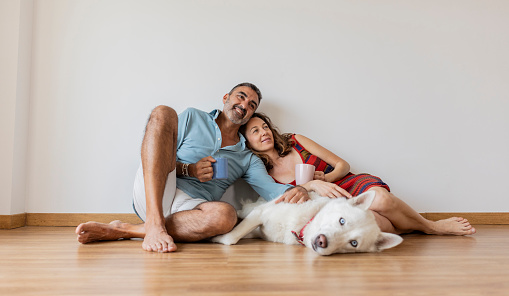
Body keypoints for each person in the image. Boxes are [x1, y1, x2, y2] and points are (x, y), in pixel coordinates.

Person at [76, 83, 309, 252]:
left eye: (251, 105)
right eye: (240, 97)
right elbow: (156, 158)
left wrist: (301, 188)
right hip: (158, 190)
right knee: (163, 112)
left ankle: (125, 230)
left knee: (226, 216)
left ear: (250, 115)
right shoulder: (192, 118)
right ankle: (154, 223)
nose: (243, 105)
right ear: (226, 97)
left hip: (190, 210)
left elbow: (272, 191)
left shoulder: (247, 157)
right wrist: (190, 170)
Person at [240, 112, 476, 236]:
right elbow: (283, 200)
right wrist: (311, 186)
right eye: (255, 130)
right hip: (326, 204)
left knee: (381, 199)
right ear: (246, 141)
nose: (264, 132)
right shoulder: (259, 171)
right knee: (372, 221)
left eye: (265, 127)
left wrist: (327, 179)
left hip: (346, 182)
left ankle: (429, 227)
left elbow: (341, 164)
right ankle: (409, 226)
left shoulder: (295, 140)